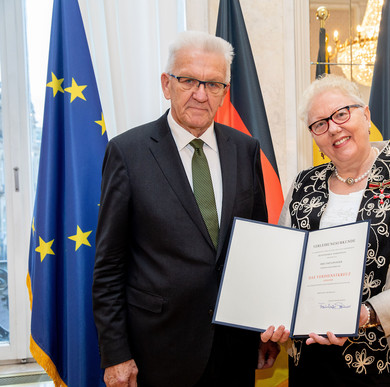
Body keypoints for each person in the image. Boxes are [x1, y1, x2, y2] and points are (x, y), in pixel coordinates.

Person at [92, 30, 279, 386]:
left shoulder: (245, 149)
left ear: (224, 92)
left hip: (233, 347)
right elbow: (109, 265)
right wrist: (116, 353)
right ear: (166, 84)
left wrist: (260, 332)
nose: (200, 94)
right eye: (188, 80)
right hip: (158, 349)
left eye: (213, 84)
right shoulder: (127, 153)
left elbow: (257, 252)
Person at [262, 74, 390, 386]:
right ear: (314, 136)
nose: (334, 128)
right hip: (309, 360)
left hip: (386, 361)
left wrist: (366, 314)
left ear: (365, 115)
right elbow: (283, 269)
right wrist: (272, 317)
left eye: (341, 113)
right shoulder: (303, 184)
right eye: (319, 124)